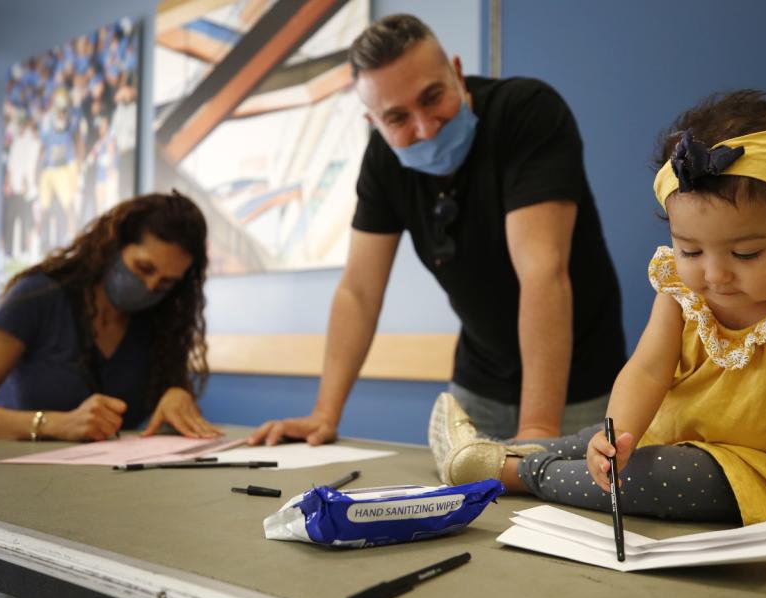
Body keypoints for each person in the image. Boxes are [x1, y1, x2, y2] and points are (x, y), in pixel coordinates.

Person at [431, 90, 766, 559]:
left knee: (657, 480)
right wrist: (615, 438)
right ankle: (487, 450)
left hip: (764, 471)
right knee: (592, 444)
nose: (714, 275)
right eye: (690, 250)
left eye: (746, 254)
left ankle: (509, 472)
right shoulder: (681, 289)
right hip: (669, 436)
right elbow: (647, 370)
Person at [249, 14, 626, 446]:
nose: (426, 127)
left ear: (458, 74)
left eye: (433, 98)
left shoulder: (526, 112)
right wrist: (324, 413)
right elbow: (358, 291)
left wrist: (536, 433)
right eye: (398, 118)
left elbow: (543, 271)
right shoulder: (383, 162)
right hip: (477, 386)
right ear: (374, 124)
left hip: (578, 385)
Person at [0, 191, 220, 441]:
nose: (150, 287)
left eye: (166, 283)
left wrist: (177, 399)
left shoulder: (160, 322)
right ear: (114, 246)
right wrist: (55, 424)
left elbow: (168, 426)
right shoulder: (38, 296)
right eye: (144, 268)